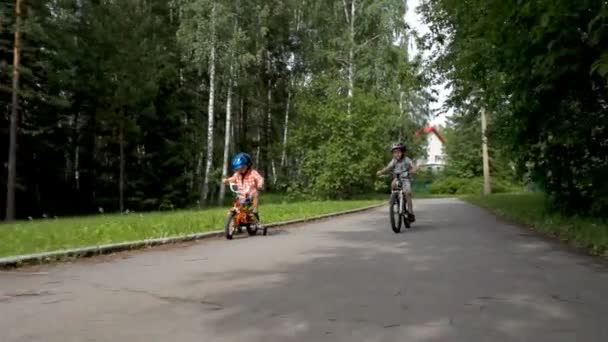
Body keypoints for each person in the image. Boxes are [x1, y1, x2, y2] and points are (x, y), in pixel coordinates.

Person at [376, 142, 416, 222]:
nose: (397, 154)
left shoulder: (407, 160)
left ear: (403, 152)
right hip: (397, 178)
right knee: (393, 184)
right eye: (395, 153)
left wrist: (413, 170)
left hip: (405, 178)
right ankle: (394, 198)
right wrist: (381, 172)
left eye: (399, 152)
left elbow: (413, 166)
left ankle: (410, 212)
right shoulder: (393, 161)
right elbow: (388, 168)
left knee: (407, 193)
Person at [222, 152, 265, 224]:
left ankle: (255, 210)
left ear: (248, 165)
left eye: (242, 168)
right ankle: (234, 222)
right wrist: (226, 180)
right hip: (241, 195)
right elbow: (232, 179)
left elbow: (260, 179)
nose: (240, 170)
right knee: (236, 208)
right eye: (238, 168)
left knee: (256, 193)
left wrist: (260, 184)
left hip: (250, 195)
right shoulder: (237, 175)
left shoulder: (253, 173)